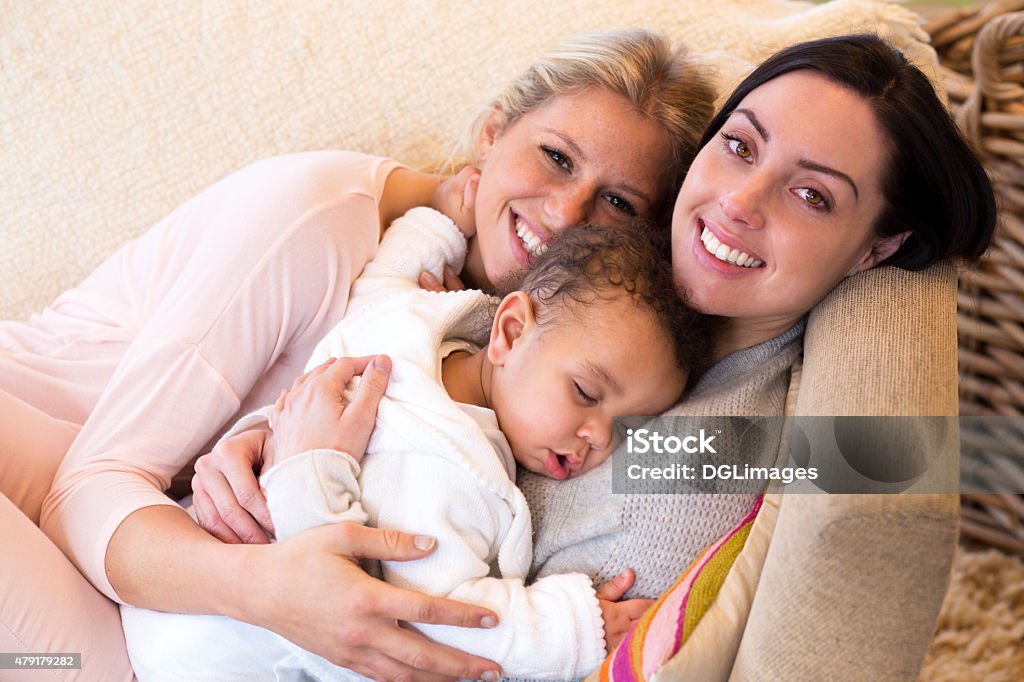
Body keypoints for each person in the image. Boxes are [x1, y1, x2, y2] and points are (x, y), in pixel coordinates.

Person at [194, 32, 998, 676]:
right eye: (741, 147)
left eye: (813, 195)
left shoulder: (688, 462)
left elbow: (434, 619)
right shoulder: (622, 272)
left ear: (873, 251)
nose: (739, 203)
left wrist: (305, 477)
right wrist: (268, 432)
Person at [0, 29, 714, 681]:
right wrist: (282, 592)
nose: (565, 215)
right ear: (492, 131)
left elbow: (766, 460)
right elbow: (86, 489)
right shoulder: (316, 224)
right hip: (46, 484)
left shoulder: (540, 345)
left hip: (130, 568)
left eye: (618, 204)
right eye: (555, 157)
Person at [121, 197, 711, 678]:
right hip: (227, 654)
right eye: (584, 392)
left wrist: (436, 222)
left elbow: (385, 278)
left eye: (628, 429)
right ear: (508, 331)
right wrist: (574, 628)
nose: (597, 440)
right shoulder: (449, 467)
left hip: (176, 595)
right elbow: (434, 614)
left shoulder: (409, 324)